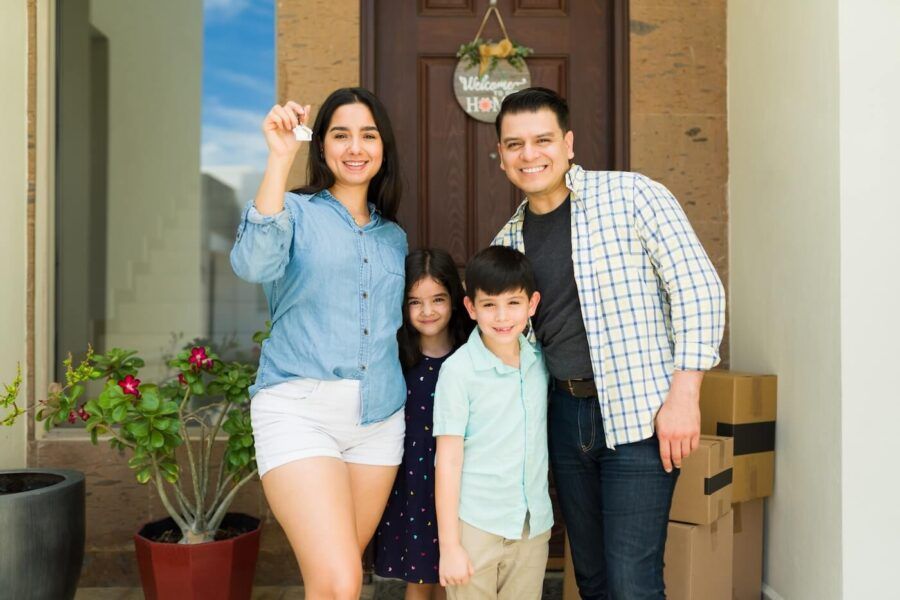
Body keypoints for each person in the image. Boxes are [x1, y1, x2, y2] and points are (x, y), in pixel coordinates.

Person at [491, 87, 726, 599]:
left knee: (632, 581)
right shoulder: (506, 243)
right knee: (591, 578)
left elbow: (699, 289)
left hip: (642, 414)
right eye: (515, 145)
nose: (530, 155)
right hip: (564, 416)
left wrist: (684, 397)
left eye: (542, 140)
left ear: (569, 143)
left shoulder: (632, 195)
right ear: (502, 156)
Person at [230, 87, 407, 599]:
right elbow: (254, 265)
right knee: (340, 581)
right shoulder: (293, 211)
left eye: (368, 135)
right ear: (322, 145)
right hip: (299, 411)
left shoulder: (392, 237)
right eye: (341, 134)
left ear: (383, 147)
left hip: (378, 422)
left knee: (335, 581)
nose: (356, 147)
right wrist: (278, 158)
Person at [433, 246, 552, 600]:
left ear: (532, 305)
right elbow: (448, 461)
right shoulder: (457, 372)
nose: (502, 316)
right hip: (475, 526)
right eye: (489, 304)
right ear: (471, 308)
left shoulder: (539, 362)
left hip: (533, 526)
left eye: (513, 303)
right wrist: (450, 546)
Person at [374, 248, 474, 600]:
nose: (428, 311)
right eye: (415, 302)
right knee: (419, 580)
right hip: (413, 479)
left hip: (461, 477)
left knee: (456, 577)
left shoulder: (470, 353)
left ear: (455, 299)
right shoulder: (394, 355)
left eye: (438, 299)